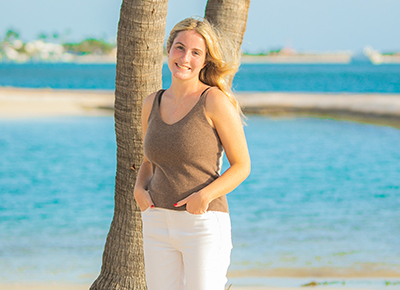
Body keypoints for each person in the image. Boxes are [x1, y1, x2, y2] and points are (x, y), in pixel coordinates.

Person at [134, 17, 251, 290]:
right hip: (156, 221)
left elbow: (242, 166)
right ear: (169, 49)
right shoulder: (152, 102)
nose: (185, 57)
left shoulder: (214, 101)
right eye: (179, 47)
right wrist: (139, 189)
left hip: (202, 223)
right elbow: (149, 160)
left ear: (205, 60)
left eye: (196, 52)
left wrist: (204, 196)